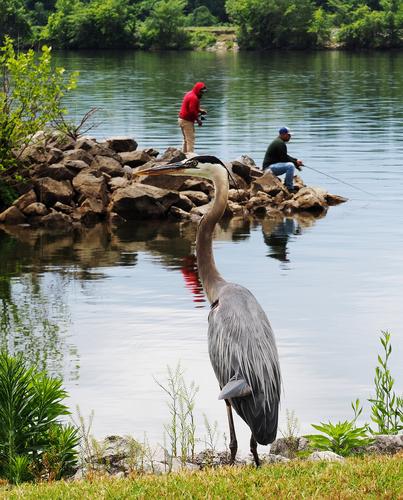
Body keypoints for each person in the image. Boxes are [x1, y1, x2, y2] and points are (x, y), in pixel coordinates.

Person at [262, 127, 303, 192]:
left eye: (290, 135)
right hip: (268, 169)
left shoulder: (279, 142)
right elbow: (284, 159)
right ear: (283, 134)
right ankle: (289, 187)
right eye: (288, 135)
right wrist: (295, 163)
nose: (290, 137)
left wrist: (296, 160)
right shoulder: (280, 143)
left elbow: (285, 156)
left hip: (271, 167)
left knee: (291, 164)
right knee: (290, 166)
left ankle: (288, 184)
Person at [178, 82, 207, 154]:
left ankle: (183, 156)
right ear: (198, 90)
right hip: (186, 121)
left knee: (186, 140)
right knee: (190, 140)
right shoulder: (194, 98)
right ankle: (190, 158)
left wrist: (200, 110)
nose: (202, 94)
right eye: (201, 92)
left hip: (181, 119)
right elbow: (192, 111)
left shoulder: (190, 93)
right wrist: (198, 121)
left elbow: (192, 108)